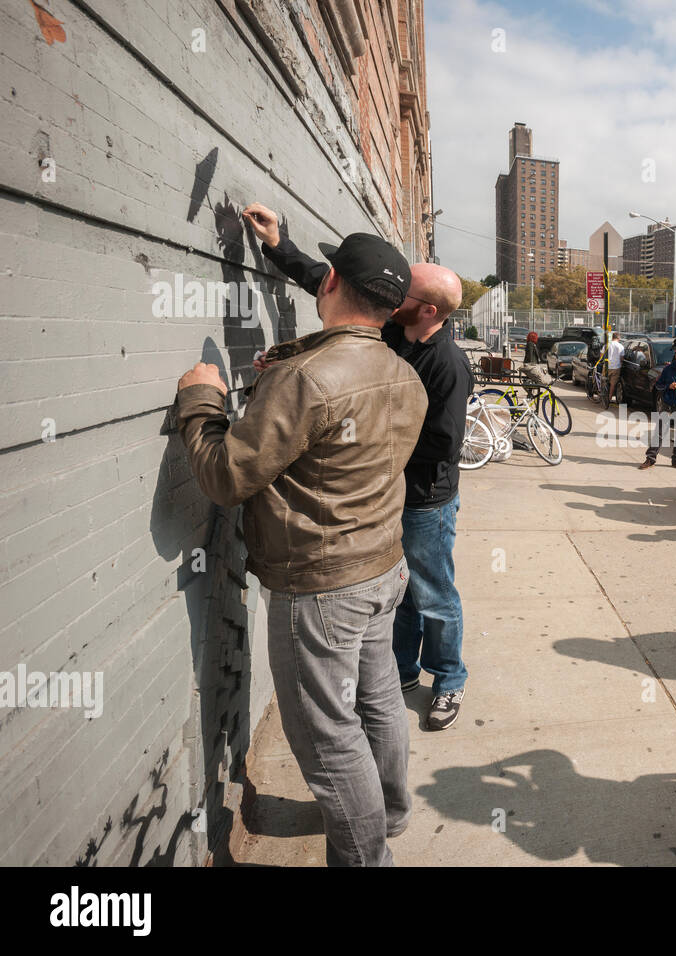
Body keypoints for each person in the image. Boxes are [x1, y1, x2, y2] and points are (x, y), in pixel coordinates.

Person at [176, 230, 427, 867]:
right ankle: (391, 812)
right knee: (377, 702)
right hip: (382, 567)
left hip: (321, 586)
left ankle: (367, 856)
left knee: (328, 737)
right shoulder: (405, 375)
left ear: (333, 282)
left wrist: (202, 398)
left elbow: (227, 475)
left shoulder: (307, 379)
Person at [245, 203, 476, 732]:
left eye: (404, 296)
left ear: (427, 311)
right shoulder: (395, 334)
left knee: (434, 594)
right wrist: (278, 245)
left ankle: (450, 679)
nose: (391, 300)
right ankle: (403, 671)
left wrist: (370, 448)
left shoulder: (447, 365)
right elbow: (332, 285)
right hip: (391, 494)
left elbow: (442, 446)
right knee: (404, 594)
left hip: (425, 503)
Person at [606, 331, 624, 405]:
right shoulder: (620, 346)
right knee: (613, 384)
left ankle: (603, 395)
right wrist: (621, 363)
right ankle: (609, 399)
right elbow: (622, 358)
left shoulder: (607, 345)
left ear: (612, 337)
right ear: (618, 338)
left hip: (607, 366)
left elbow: (601, 354)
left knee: (605, 381)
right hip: (616, 367)